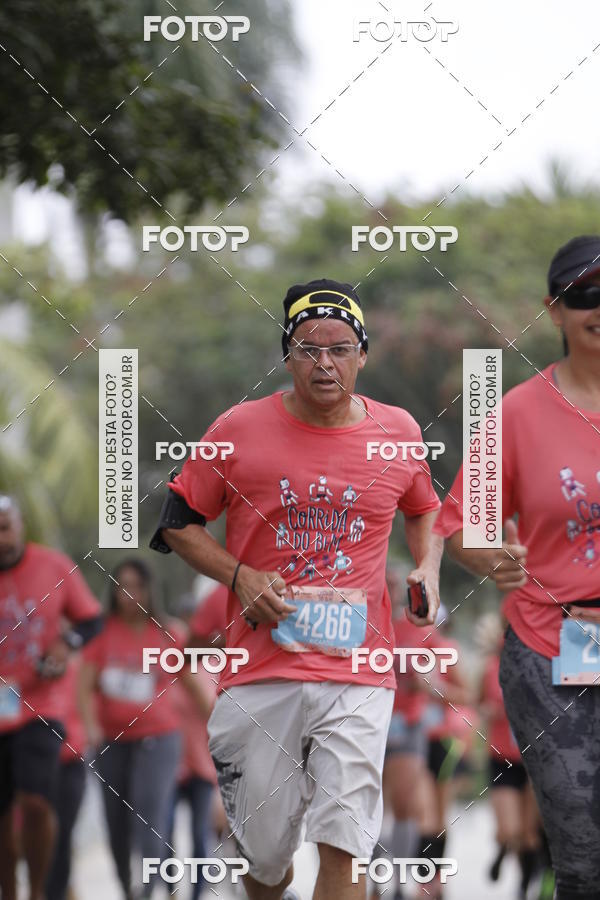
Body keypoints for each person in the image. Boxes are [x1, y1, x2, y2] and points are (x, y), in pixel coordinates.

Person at [151, 278, 443, 900]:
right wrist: (240, 574)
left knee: (345, 847)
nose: (324, 362)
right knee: (266, 861)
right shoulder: (238, 427)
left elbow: (424, 510)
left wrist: (428, 567)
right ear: (287, 356)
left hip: (357, 673)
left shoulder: (399, 431)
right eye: (308, 348)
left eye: (339, 348)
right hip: (262, 671)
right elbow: (177, 525)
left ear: (363, 355)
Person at [434, 236, 600, 900]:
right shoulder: (514, 414)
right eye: (585, 294)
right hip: (547, 647)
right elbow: (458, 529)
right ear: (555, 310)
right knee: (583, 857)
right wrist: (491, 557)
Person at [78, 558, 212, 900]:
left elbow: (195, 686)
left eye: (136, 585)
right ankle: (127, 887)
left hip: (159, 741)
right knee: (115, 823)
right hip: (112, 742)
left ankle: (149, 890)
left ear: (149, 589)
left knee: (150, 819)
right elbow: (84, 686)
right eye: (122, 586)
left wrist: (223, 729)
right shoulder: (103, 633)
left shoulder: (167, 634)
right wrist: (91, 728)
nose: (129, 594)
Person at [0, 495, 102, 900]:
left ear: (20, 525)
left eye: (6, 527)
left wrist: (65, 645)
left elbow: (91, 619)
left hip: (40, 706)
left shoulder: (53, 566)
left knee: (37, 802)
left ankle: (39, 892)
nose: (0, 538)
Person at [45, 656, 87, 900]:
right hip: (25, 759)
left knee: (62, 834)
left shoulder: (78, 664)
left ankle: (58, 893)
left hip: (70, 759)